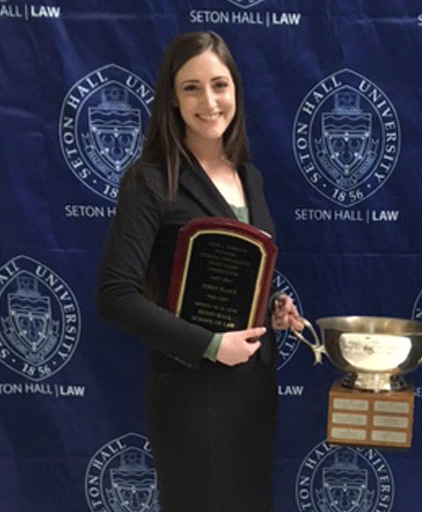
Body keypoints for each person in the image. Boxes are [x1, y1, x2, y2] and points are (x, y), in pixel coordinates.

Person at [96, 31, 302, 512]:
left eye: (219, 85)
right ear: (171, 97)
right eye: (191, 87)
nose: (209, 101)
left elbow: (233, 278)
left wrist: (268, 307)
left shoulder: (249, 176)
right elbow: (114, 295)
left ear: (236, 91)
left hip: (253, 392)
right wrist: (210, 345)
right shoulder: (150, 179)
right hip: (190, 396)